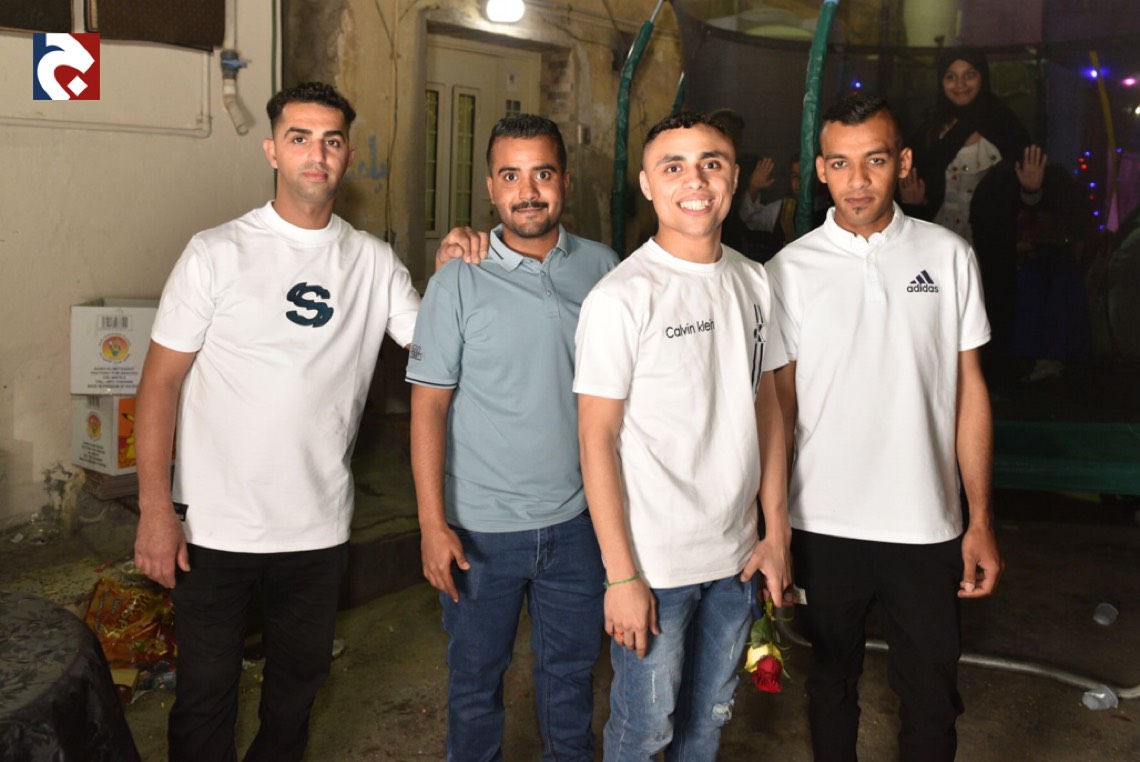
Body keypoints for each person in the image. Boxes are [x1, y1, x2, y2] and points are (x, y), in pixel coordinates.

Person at [132, 82, 422, 762]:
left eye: (330, 140)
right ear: (272, 151)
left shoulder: (372, 262)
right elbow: (159, 384)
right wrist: (154, 510)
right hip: (214, 527)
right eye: (299, 138)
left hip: (316, 527)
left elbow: (437, 347)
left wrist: (473, 266)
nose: (316, 154)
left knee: (296, 693)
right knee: (205, 696)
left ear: (347, 155)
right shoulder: (216, 252)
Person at [767, 93, 1003, 761]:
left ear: (901, 163)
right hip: (822, 523)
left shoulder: (949, 255)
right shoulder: (788, 270)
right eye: (840, 163)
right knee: (829, 684)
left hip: (925, 523)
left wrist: (980, 519)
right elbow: (778, 408)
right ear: (820, 170)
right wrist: (774, 526)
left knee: (931, 695)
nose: (858, 180)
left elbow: (970, 392)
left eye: (874, 160)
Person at [574, 112, 793, 760]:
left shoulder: (753, 280)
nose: (694, 181)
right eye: (673, 167)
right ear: (647, 184)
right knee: (645, 733)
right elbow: (595, 440)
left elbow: (766, 407)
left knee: (707, 727)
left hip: (737, 561)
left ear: (734, 178)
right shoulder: (621, 297)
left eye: (711, 164)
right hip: (655, 566)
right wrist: (621, 576)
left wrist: (776, 533)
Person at [406, 114, 619, 761]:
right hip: (481, 530)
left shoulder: (605, 268)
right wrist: (432, 525)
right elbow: (427, 408)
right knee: (475, 684)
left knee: (570, 681)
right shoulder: (458, 278)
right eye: (510, 176)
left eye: (542, 173)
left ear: (565, 181)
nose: (528, 192)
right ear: (491, 189)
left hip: (579, 524)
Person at [899, 46, 1047, 384]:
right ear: (941, 81)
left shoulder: (1004, 122)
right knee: (935, 320)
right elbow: (913, 192)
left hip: (991, 246)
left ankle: (986, 389)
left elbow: (1032, 201)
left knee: (987, 317)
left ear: (983, 77)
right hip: (939, 241)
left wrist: (1031, 190)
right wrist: (913, 204)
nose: (960, 84)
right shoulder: (930, 126)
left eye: (969, 75)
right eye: (951, 76)